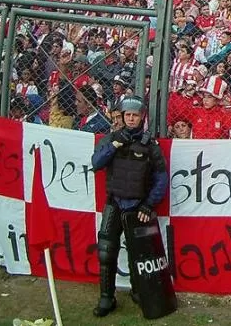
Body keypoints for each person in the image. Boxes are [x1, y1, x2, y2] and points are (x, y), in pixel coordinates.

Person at [90, 97, 168, 318]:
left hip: (137, 206)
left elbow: (161, 178)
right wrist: (115, 145)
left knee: (139, 253)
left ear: (141, 116)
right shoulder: (111, 139)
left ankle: (138, 291)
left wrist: (149, 204)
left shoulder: (150, 146)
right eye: (127, 115)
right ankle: (107, 296)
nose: (131, 119)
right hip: (114, 202)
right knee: (106, 251)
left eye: (135, 115)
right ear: (122, 116)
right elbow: (96, 163)